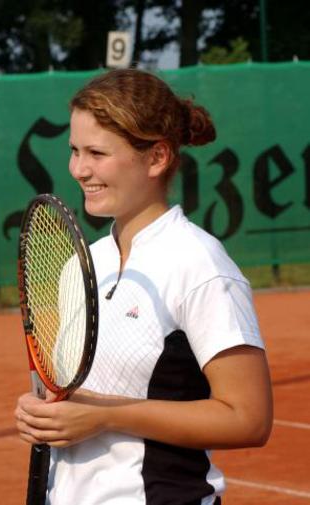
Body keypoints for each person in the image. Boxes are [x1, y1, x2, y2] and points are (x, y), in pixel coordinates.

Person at [15, 68, 273, 505]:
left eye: (97, 153)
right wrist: (46, 412)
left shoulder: (200, 265)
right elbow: (81, 396)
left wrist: (106, 416)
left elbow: (248, 419)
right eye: (75, 150)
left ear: (157, 158)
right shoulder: (83, 263)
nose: (79, 169)